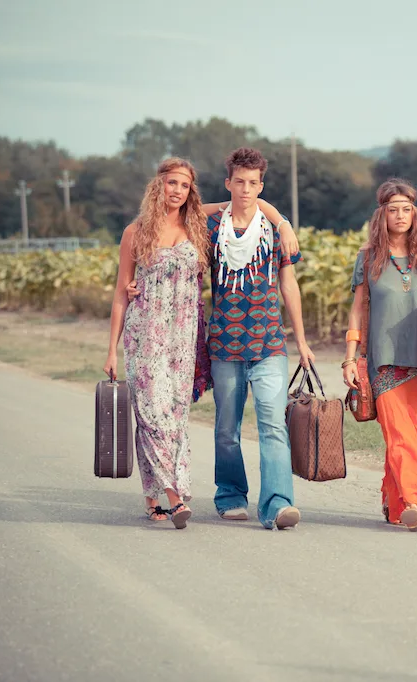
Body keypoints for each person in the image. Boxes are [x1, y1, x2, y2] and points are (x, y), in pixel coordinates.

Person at [205, 147, 314, 530]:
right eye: (240, 182)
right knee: (226, 429)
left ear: (261, 185)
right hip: (224, 344)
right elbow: (185, 212)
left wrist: (301, 341)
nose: (246, 189)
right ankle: (231, 495)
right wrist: (278, 214)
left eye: (254, 183)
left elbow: (289, 285)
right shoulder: (211, 228)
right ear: (228, 183)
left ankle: (277, 505)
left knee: (272, 425)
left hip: (269, 343)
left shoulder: (273, 232)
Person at [343, 178, 417, 532]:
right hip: (383, 361)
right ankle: (412, 499)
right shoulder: (369, 258)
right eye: (393, 210)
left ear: (415, 213)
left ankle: (394, 504)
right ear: (382, 215)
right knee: (399, 434)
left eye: (406, 209)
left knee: (414, 433)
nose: (400, 215)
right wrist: (350, 357)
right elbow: (358, 309)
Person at [104, 157, 210, 529]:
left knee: (174, 417)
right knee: (152, 416)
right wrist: (111, 350)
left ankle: (153, 502)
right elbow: (121, 293)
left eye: (184, 184)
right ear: (158, 185)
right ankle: (175, 496)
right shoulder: (136, 232)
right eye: (171, 183)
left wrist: (279, 219)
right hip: (144, 333)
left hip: (183, 337)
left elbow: (240, 204)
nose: (177, 190)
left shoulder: (197, 228)